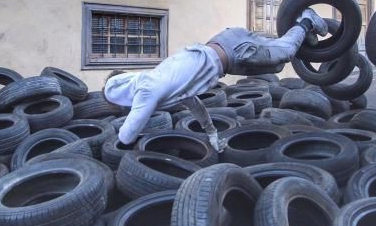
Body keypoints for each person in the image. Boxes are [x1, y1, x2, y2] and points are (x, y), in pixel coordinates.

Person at [103, 8, 329, 152]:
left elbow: (128, 133)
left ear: (124, 95)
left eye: (123, 104)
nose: (127, 107)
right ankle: (303, 34)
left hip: (235, 50)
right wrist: (211, 131)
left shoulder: (147, 89)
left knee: (285, 53)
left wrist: (118, 146)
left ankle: (306, 20)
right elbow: (193, 103)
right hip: (230, 52)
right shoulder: (161, 80)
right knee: (277, 65)